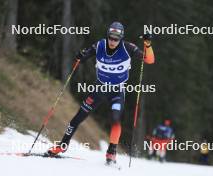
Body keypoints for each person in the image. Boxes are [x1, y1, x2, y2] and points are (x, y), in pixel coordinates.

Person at [46, 22, 155, 164]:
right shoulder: (100, 45)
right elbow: (82, 59)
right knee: (77, 118)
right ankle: (62, 146)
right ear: (108, 36)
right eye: (111, 37)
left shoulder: (128, 48)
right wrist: (79, 57)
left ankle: (111, 152)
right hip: (100, 89)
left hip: (117, 91)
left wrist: (147, 44)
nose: (113, 41)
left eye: (116, 39)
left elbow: (149, 60)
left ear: (121, 38)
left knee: (115, 119)